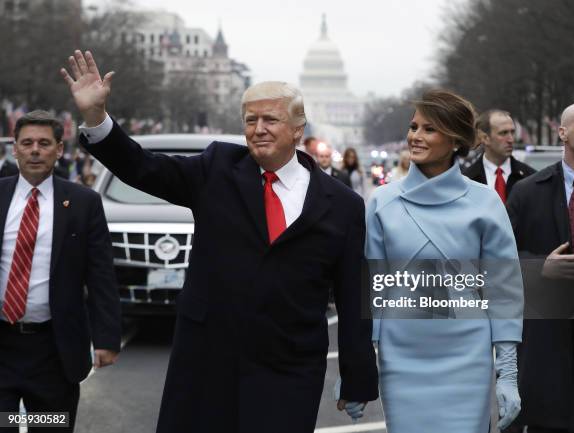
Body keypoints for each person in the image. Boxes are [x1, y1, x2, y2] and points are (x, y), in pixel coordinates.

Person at [61, 50, 378, 433]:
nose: (258, 128)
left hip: (288, 369)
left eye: (270, 119)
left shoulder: (343, 204)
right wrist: (97, 118)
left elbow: (353, 294)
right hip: (207, 362)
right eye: (250, 120)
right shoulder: (216, 169)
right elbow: (143, 167)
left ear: (298, 129)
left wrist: (358, 375)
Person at [366, 89, 523, 433]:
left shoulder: (486, 202)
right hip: (401, 357)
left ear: (454, 140)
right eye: (413, 127)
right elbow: (372, 292)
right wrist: (359, 364)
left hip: (467, 357)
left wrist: (507, 372)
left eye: (428, 129)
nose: (414, 136)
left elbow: (505, 290)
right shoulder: (382, 202)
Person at [0, 110, 121, 433]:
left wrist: (106, 338)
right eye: (27, 143)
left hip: (53, 350)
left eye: (44, 143)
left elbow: (100, 275)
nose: (35, 150)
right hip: (2, 345)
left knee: (49, 426)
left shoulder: (83, 203)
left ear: (58, 149)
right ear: (15, 149)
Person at [507, 102, 574, 433]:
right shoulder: (527, 192)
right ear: (563, 133)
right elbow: (498, 261)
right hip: (546, 344)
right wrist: (541, 267)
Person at [463, 109, 536, 202]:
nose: (511, 139)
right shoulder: (467, 180)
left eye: (512, 132)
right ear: (485, 138)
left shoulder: (531, 178)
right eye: (503, 133)